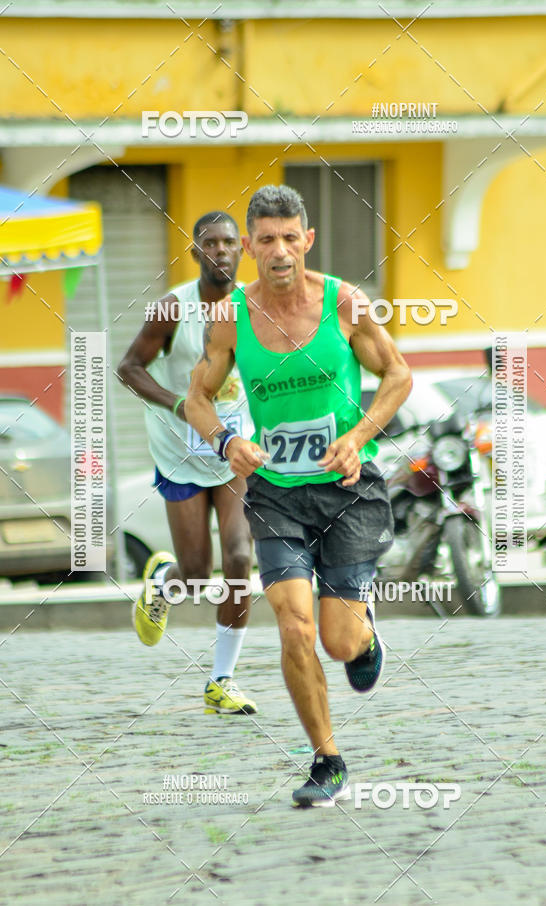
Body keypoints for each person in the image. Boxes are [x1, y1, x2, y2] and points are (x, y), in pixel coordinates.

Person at [185, 185, 412, 805]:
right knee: (292, 627)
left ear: (307, 239)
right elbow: (196, 398)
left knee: (337, 642)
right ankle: (327, 759)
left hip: (346, 491)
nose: (279, 250)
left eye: (290, 237)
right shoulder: (230, 317)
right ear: (250, 247)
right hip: (278, 494)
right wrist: (227, 439)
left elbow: (398, 374)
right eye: (266, 240)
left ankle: (364, 632)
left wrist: (361, 435)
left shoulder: (345, 304)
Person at [117, 211, 257, 715]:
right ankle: (164, 582)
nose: (220, 251)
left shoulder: (256, 306)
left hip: (235, 450)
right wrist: (177, 403)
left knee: (240, 557)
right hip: (180, 451)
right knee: (197, 574)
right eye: (209, 244)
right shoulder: (172, 308)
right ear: (196, 251)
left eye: (228, 243)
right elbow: (128, 367)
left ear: (242, 249)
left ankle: (222, 680)